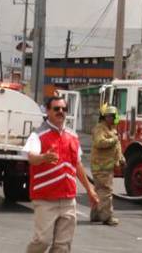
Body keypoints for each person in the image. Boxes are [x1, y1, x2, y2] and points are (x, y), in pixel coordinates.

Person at [24, 95, 99, 253]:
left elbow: (77, 164)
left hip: (68, 200)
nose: (61, 112)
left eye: (64, 109)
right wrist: (43, 157)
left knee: (63, 246)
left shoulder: (72, 136)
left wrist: (90, 189)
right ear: (48, 111)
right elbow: (31, 158)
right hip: (45, 199)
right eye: (56, 109)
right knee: (42, 241)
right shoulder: (37, 135)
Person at [89, 104, 125, 226]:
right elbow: (100, 142)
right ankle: (107, 217)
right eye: (114, 116)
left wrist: (121, 158)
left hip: (106, 166)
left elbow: (117, 146)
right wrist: (113, 140)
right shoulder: (101, 129)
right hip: (101, 166)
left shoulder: (111, 129)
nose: (116, 118)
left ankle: (95, 215)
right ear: (108, 117)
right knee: (106, 192)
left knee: (99, 191)